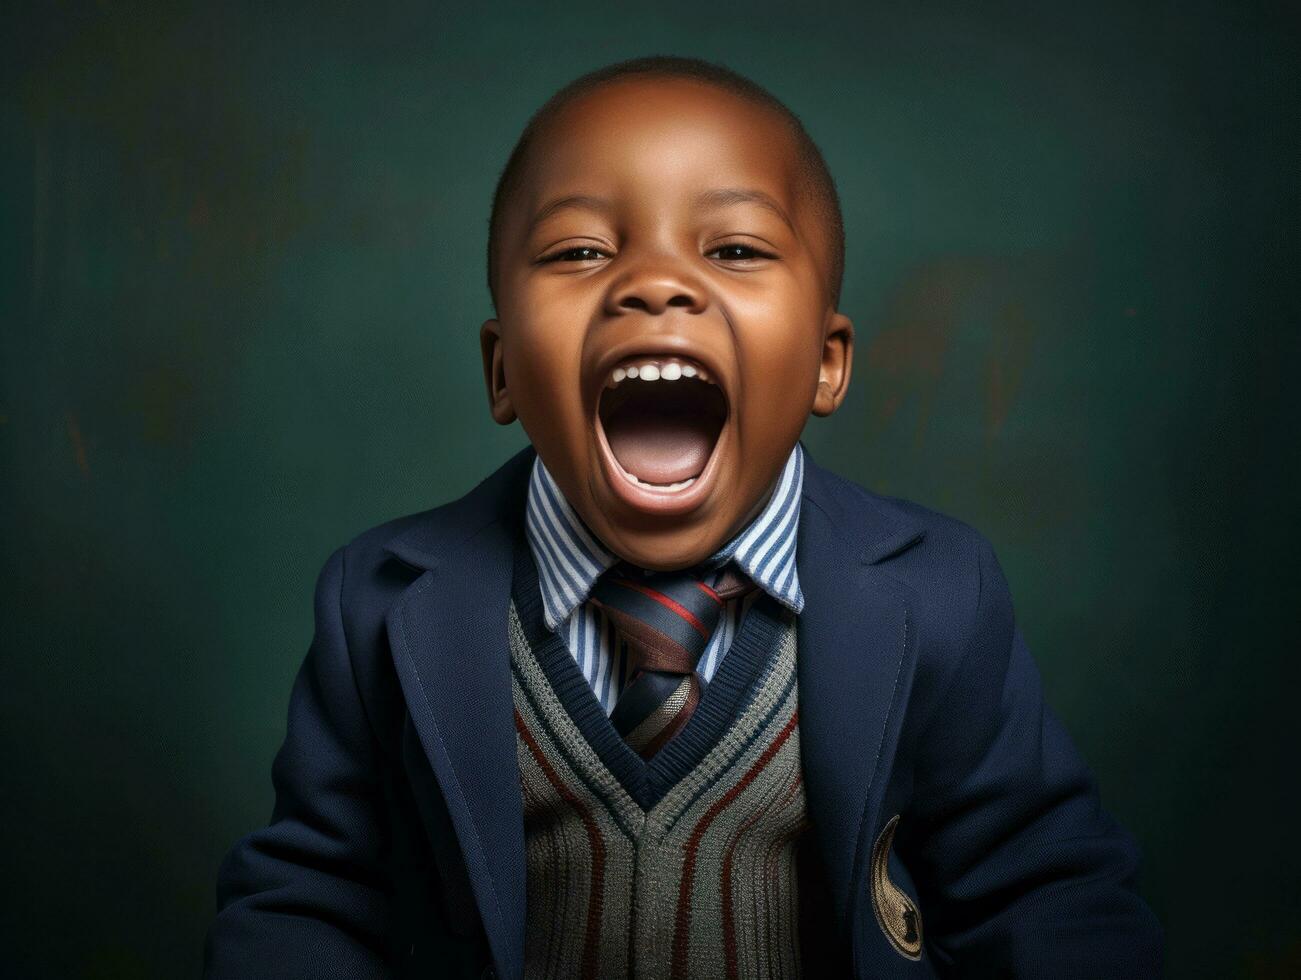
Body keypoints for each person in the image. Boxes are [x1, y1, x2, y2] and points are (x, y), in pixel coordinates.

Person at [204, 56, 1163, 979]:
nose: (654, 284)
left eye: (735, 249)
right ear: (501, 370)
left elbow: (1040, 889)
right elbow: (313, 898)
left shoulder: (938, 589)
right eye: (580, 250)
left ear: (827, 362)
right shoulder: (380, 601)